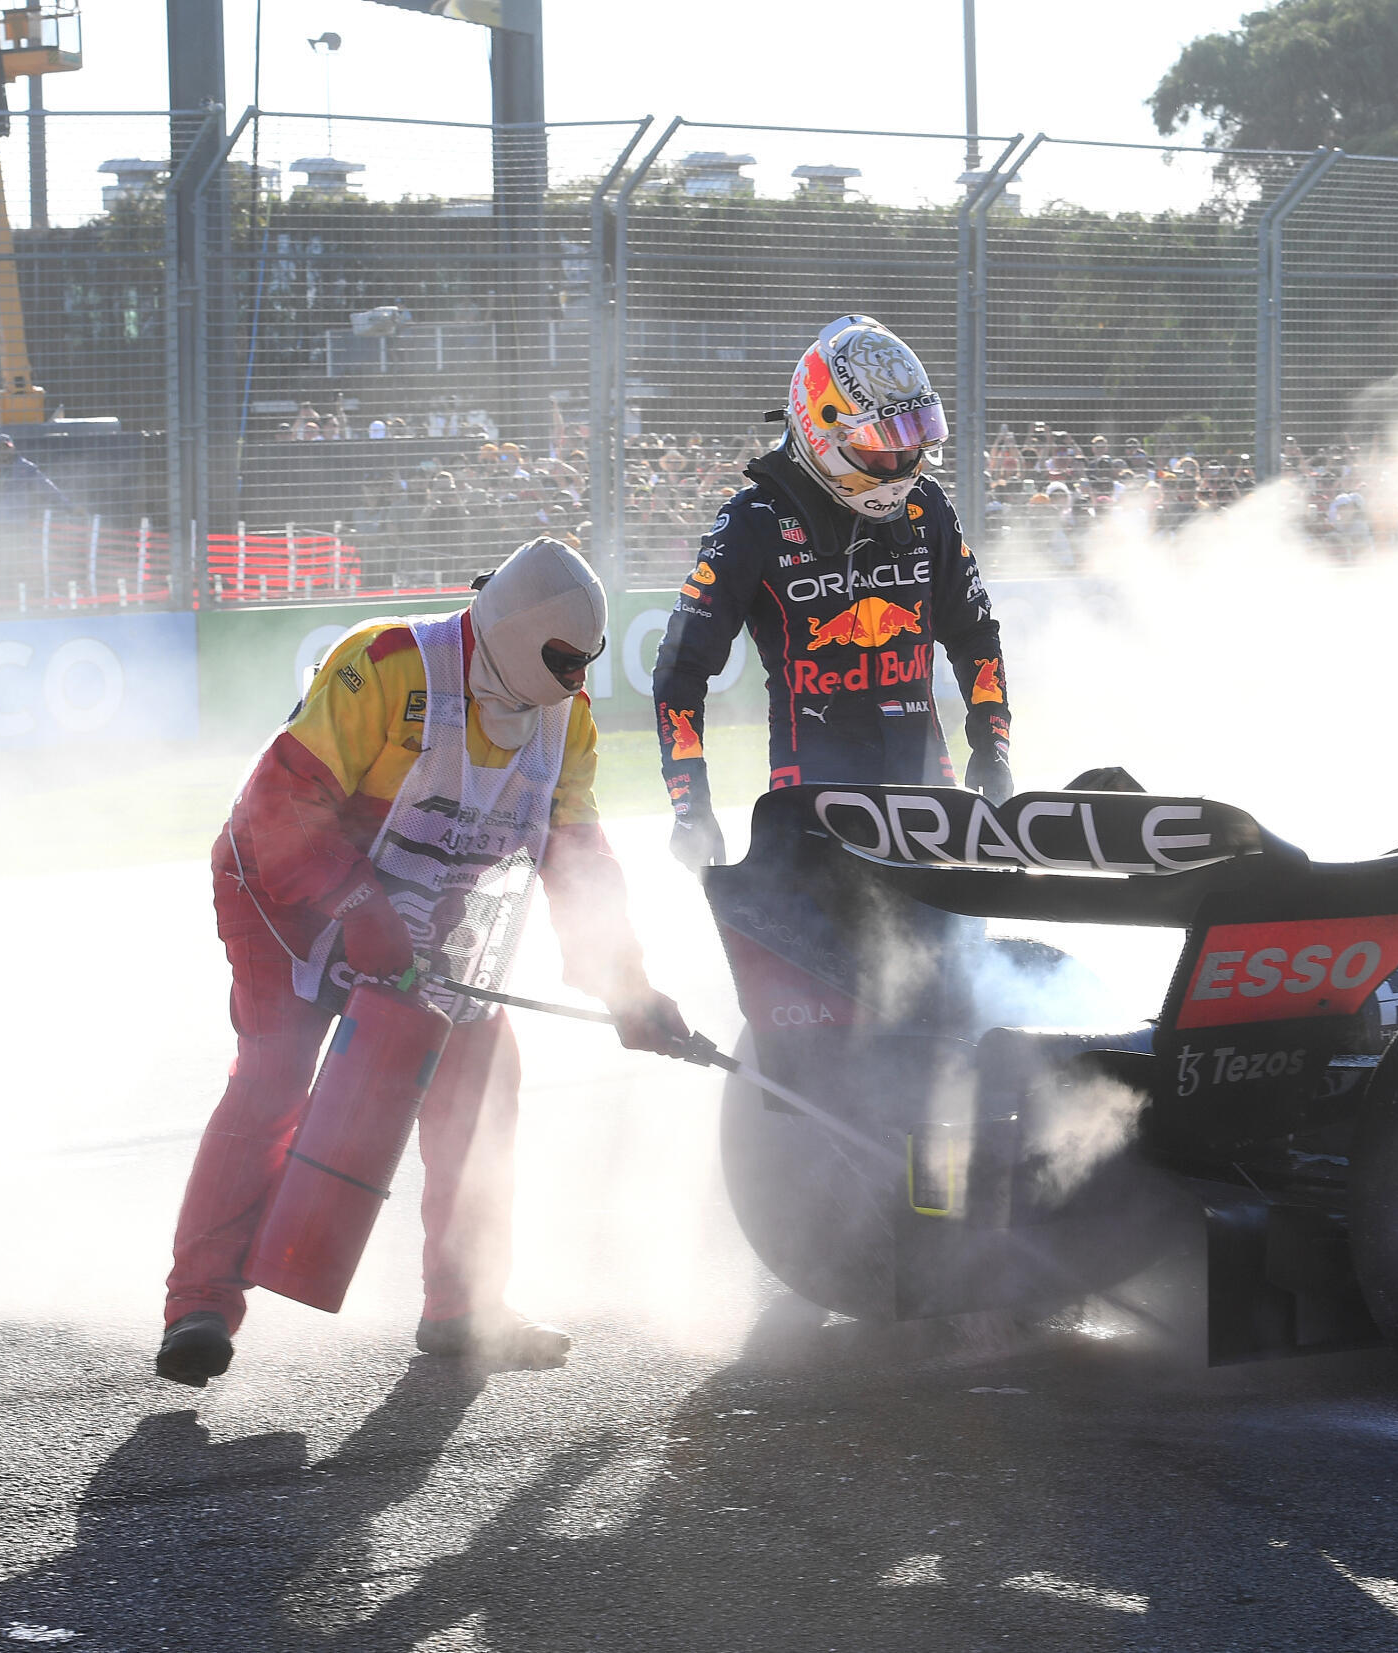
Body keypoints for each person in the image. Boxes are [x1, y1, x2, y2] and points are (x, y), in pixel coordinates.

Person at [156, 537, 690, 1388]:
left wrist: (627, 985)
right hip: (282, 900)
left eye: (586, 663)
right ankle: (201, 1306)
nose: (578, 681)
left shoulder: (566, 720)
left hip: (426, 920)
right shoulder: (388, 666)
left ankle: (465, 1307)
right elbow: (275, 808)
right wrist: (359, 908)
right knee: (275, 1076)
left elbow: (580, 860)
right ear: (515, 634)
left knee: (482, 1088)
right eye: (564, 660)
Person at [652, 314, 1011, 869]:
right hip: (812, 792)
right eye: (879, 449)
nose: (897, 467)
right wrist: (690, 804)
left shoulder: (927, 508)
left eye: (908, 445)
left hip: (925, 782)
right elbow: (680, 670)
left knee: (953, 949)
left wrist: (992, 748)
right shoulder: (752, 523)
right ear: (824, 434)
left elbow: (975, 635)